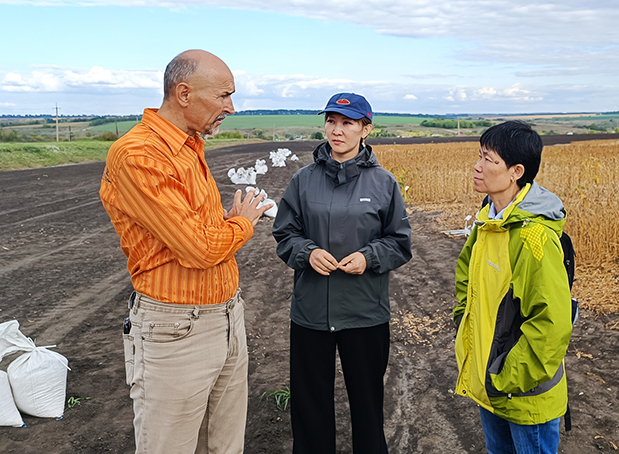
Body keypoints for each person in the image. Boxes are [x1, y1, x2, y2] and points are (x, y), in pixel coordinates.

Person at [99, 49, 272, 454]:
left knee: (226, 445)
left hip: (227, 316)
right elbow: (199, 248)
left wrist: (224, 222)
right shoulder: (140, 154)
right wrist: (242, 223)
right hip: (177, 330)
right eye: (224, 95)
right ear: (183, 93)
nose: (231, 107)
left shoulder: (190, 147)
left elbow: (196, 230)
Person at [272, 92, 412, 454]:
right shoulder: (303, 181)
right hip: (311, 313)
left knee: (367, 407)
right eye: (331, 121)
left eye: (347, 123)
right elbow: (285, 233)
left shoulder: (384, 184)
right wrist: (307, 251)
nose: (337, 130)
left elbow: (399, 242)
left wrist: (369, 257)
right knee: (310, 407)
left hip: (364, 313)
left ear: (366, 129)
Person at [453, 120, 572, 454]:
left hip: (521, 391)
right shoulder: (489, 220)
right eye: (479, 156)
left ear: (515, 171)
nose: (477, 167)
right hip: (492, 381)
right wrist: (466, 330)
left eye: (488, 160)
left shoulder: (534, 237)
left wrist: (504, 376)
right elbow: (467, 281)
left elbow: (551, 324)